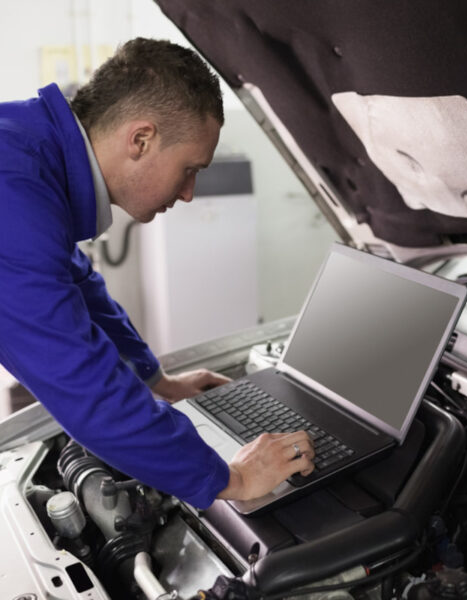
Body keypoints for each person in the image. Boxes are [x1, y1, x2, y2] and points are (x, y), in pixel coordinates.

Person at [0, 38, 314, 508]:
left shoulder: (29, 149)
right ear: (141, 139)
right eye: (189, 169)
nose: (189, 193)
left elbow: (76, 282)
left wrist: (157, 381)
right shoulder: (14, 190)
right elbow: (85, 388)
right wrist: (231, 479)